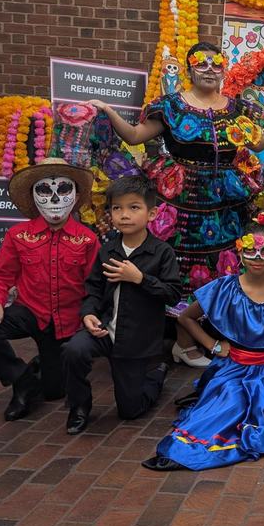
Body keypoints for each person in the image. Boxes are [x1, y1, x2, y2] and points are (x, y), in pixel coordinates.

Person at [91, 41, 264, 368]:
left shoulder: (237, 109)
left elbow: (257, 143)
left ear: (224, 68)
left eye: (215, 63)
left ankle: (210, 335)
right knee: (182, 266)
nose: (208, 69)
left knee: (222, 264)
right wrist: (107, 111)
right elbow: (135, 136)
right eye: (200, 63)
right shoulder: (172, 106)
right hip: (181, 200)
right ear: (190, 68)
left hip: (224, 202)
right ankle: (182, 340)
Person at [142, 213, 264, 471]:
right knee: (231, 402)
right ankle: (190, 448)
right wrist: (213, 346)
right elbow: (186, 318)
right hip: (233, 367)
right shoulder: (224, 287)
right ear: (239, 251)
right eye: (250, 250)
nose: (257, 257)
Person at [0, 158, 98, 421]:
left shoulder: (87, 239)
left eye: (62, 189)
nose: (53, 198)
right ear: (33, 195)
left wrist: (91, 316)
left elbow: (94, 286)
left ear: (74, 194)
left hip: (66, 322)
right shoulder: (17, 235)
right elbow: (1, 275)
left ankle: (41, 367)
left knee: (53, 392)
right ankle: (22, 380)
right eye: (44, 190)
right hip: (30, 313)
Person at [61, 175, 182, 435]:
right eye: (117, 208)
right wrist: (89, 314)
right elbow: (92, 288)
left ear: (152, 214)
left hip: (136, 341)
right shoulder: (107, 251)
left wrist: (140, 279)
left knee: (130, 411)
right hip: (104, 330)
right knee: (74, 350)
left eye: (133, 207)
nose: (124, 215)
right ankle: (79, 407)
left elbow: (173, 294)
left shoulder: (162, 253)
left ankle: (156, 374)